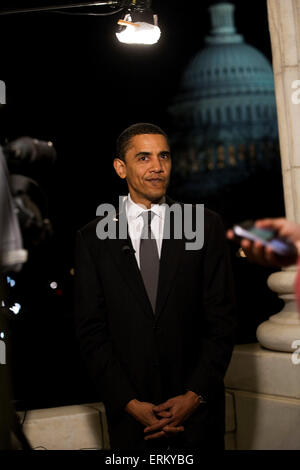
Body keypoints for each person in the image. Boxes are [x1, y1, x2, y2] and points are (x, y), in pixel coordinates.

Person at [74, 123, 236, 450]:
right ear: (121, 168)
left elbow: (223, 320)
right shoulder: (92, 238)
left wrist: (193, 397)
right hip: (133, 424)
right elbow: (91, 331)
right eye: (144, 158)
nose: (157, 167)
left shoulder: (206, 225)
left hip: (198, 420)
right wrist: (130, 404)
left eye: (164, 156)